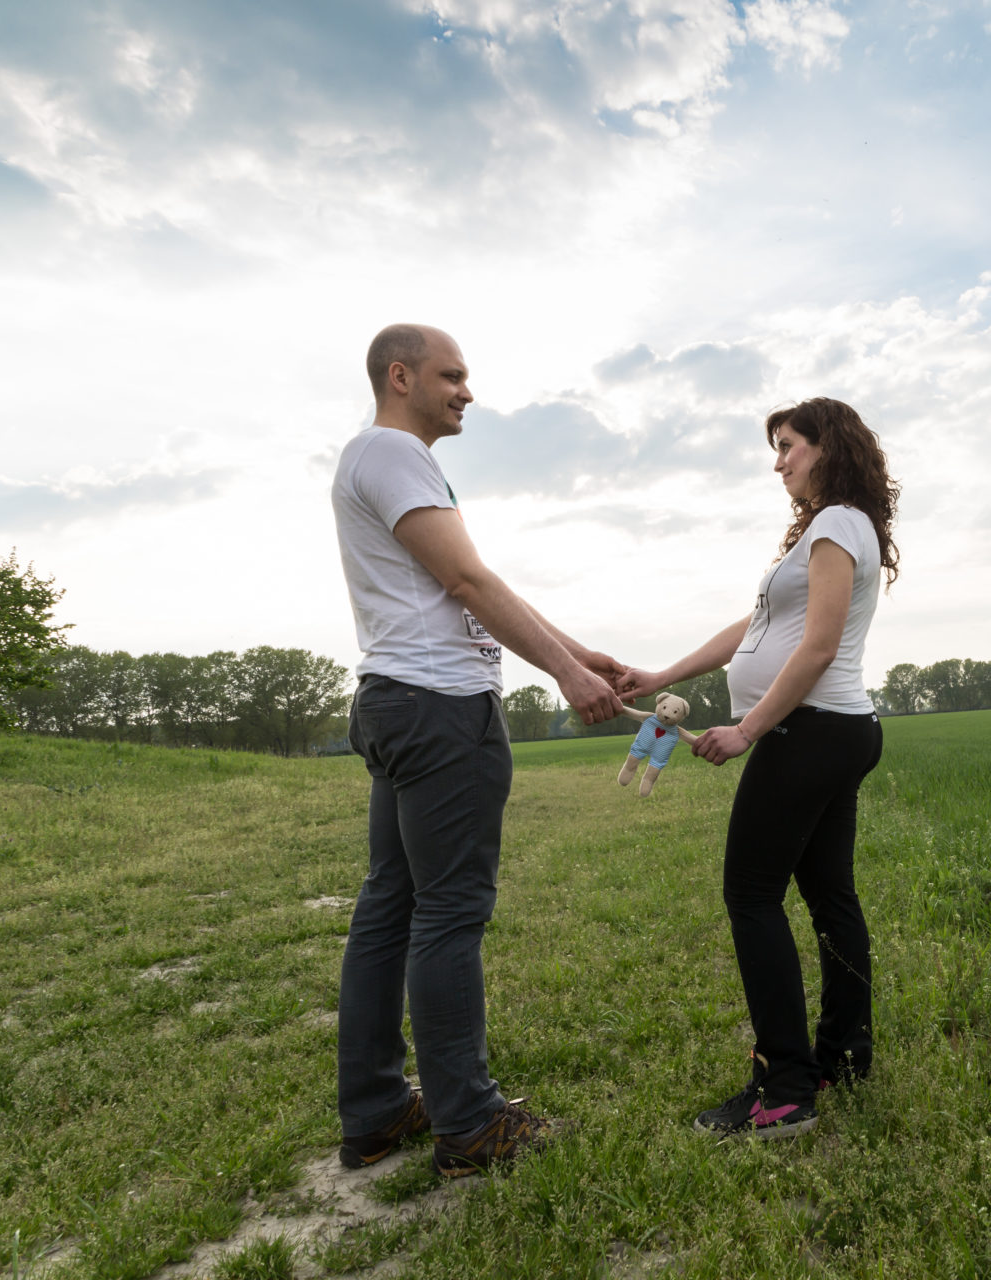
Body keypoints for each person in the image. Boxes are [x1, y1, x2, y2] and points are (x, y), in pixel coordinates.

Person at [331, 323, 625, 1176]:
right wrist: (568, 675)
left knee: (390, 904)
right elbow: (468, 583)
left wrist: (577, 651)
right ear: (400, 376)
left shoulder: (380, 459)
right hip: (438, 709)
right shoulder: (391, 454)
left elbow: (465, 584)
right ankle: (468, 1124)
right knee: (449, 913)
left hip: (399, 699)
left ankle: (379, 1113)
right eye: (451, 375)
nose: (467, 391)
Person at [619, 397, 899, 1139]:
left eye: (788, 446)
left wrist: (748, 729)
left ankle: (785, 1087)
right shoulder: (826, 531)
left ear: (827, 447)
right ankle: (843, 1054)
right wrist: (658, 675)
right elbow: (756, 628)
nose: (778, 462)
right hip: (833, 732)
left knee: (750, 893)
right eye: (775, 449)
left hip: (809, 733)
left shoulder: (838, 522)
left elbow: (818, 646)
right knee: (829, 894)